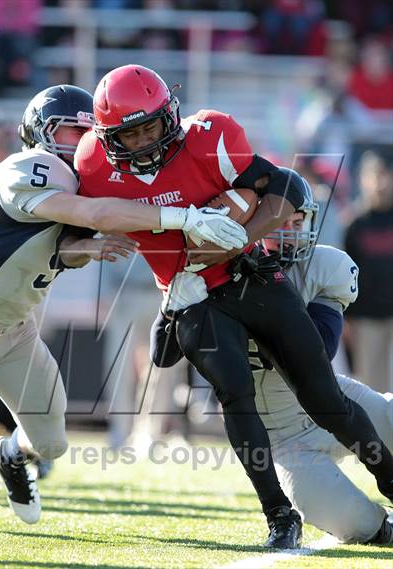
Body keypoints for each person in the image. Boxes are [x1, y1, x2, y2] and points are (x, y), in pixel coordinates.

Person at [75, 64, 393, 548]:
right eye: (129, 134)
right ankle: (278, 516)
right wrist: (163, 291)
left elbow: (288, 187)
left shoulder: (207, 139)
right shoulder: (94, 168)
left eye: (150, 128)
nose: (141, 142)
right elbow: (161, 353)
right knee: (233, 396)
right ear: (106, 138)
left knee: (326, 397)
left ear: (170, 115)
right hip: (192, 296)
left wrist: (239, 237)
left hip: (248, 276)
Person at [0, 83, 247, 528]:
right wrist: (182, 216)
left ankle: (8, 453)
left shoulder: (73, 189)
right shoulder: (29, 167)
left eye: (86, 135)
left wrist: (87, 249)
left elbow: (55, 248)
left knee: (51, 443)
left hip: (11, 330)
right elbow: (95, 215)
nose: (76, 146)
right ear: (38, 133)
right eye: (67, 133)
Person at [152, 194, 393, 545]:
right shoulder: (206, 277)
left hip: (336, 403)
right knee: (356, 523)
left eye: (298, 224)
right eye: (280, 224)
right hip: (282, 438)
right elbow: (163, 355)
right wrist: (172, 306)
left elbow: (320, 349)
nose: (290, 234)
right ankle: (382, 527)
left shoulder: (323, 267)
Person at [344, 151, 393, 393]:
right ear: (363, 179)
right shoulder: (354, 223)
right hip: (366, 319)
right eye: (375, 176)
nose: (381, 183)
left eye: (386, 175)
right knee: (373, 389)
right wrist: (346, 320)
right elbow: (344, 275)